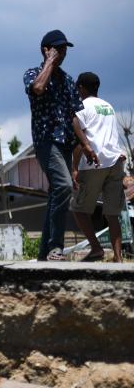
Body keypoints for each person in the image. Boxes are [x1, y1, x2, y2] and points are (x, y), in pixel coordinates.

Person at [24, 29, 84, 261]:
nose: (62, 53)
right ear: (46, 50)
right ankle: (55, 247)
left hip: (66, 144)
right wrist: (49, 62)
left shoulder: (68, 80)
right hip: (46, 142)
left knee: (56, 194)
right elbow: (38, 89)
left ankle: (43, 255)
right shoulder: (33, 73)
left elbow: (74, 116)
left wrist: (85, 145)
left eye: (64, 50)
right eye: (58, 49)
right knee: (63, 187)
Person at [70, 72, 127, 263]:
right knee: (112, 214)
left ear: (81, 88)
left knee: (78, 209)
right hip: (116, 161)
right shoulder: (108, 106)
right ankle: (118, 258)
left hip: (95, 162)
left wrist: (75, 168)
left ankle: (96, 249)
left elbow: (80, 138)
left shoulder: (82, 106)